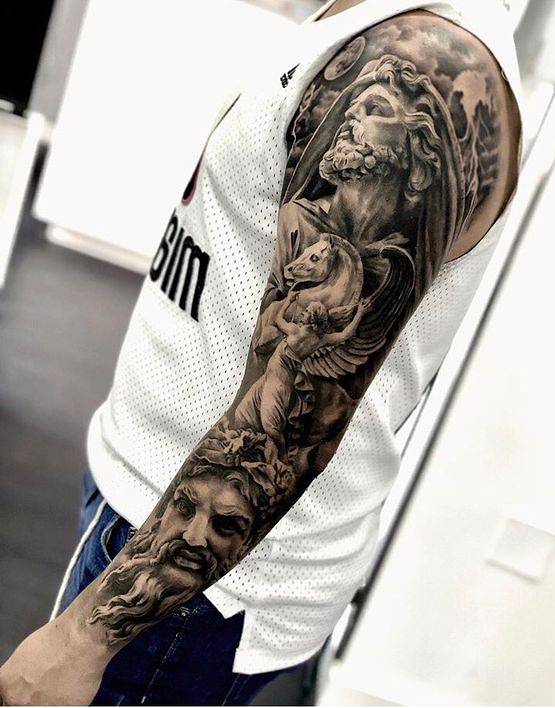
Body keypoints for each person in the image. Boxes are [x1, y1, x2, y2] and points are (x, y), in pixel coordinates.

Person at [0, 0, 523, 704]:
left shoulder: (422, 55)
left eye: (374, 119)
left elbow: (285, 428)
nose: (356, 127)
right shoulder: (378, 20)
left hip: (192, 574)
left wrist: (84, 636)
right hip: (156, 513)